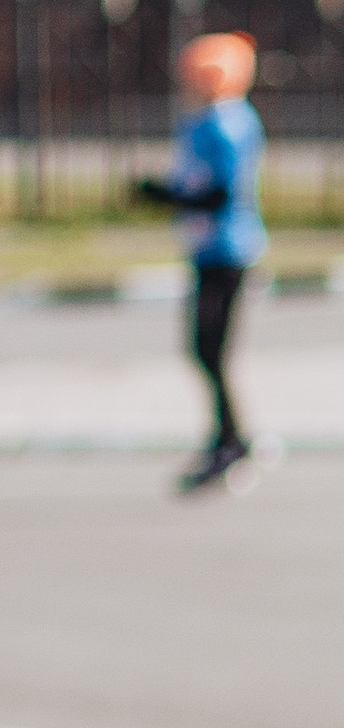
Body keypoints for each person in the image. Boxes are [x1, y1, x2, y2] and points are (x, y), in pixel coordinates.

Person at [134, 31, 266, 493]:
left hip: (228, 250)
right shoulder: (200, 122)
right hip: (206, 248)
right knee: (204, 350)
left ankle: (231, 440)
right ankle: (226, 438)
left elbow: (219, 192)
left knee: (208, 349)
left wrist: (166, 197)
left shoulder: (228, 124)